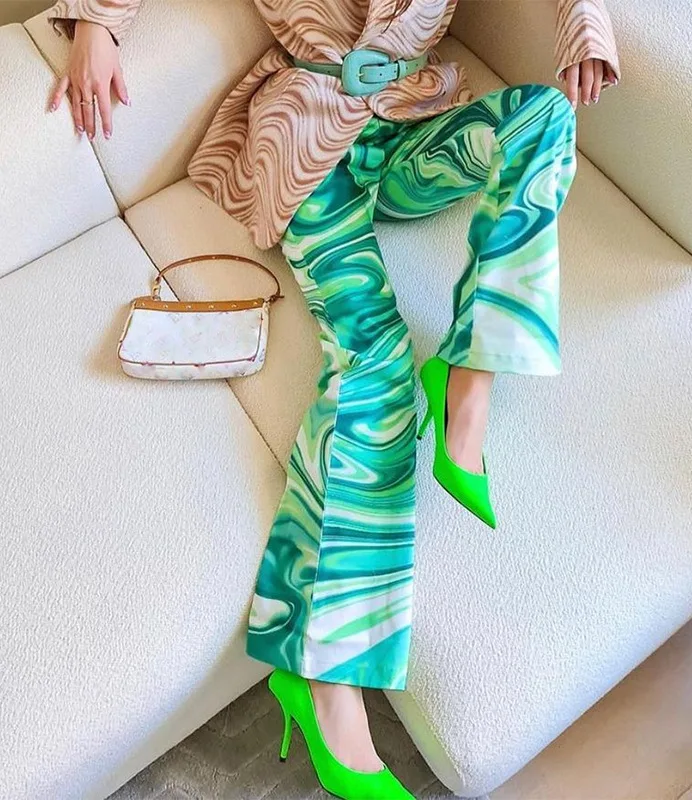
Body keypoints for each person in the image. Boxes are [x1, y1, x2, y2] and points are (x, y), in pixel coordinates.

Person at [46, 1, 620, 797]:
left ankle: (468, 379)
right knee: (373, 358)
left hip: (412, 121)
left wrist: (585, 22)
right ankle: (324, 684)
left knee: (544, 118)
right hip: (304, 138)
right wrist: (96, 26)